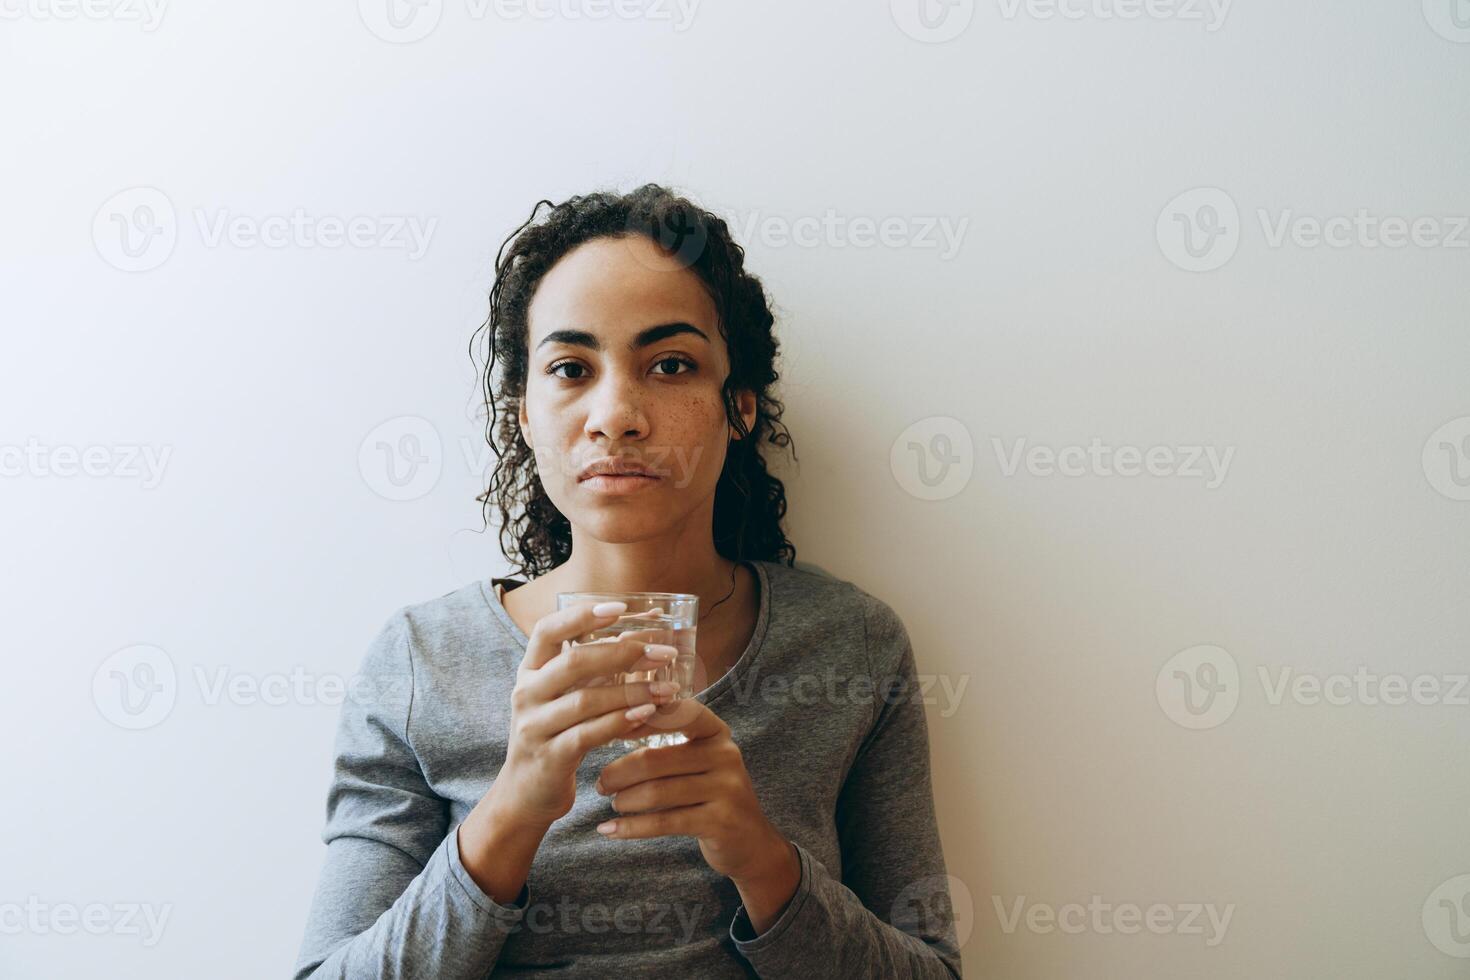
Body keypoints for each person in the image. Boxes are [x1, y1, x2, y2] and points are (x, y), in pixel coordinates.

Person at [292, 184, 962, 978]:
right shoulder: (421, 662)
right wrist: (510, 813)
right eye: (572, 368)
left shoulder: (851, 644)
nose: (617, 414)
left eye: (670, 364)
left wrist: (762, 860)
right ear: (526, 417)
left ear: (739, 407)